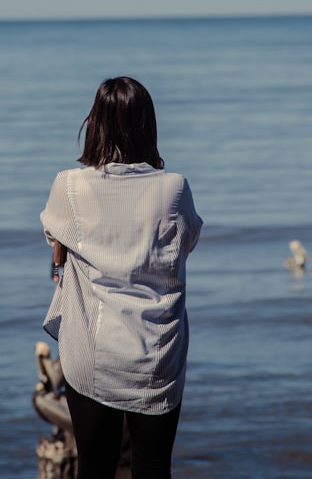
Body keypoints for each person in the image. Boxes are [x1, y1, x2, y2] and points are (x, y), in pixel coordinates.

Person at [40, 76, 203, 479]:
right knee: (153, 468)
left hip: (93, 354)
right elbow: (188, 240)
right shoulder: (174, 189)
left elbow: (54, 237)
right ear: (148, 125)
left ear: (95, 124)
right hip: (156, 353)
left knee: (95, 469)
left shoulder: (70, 185)